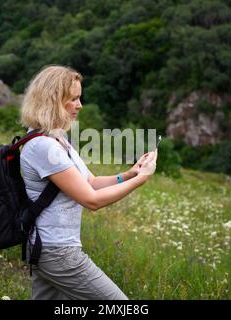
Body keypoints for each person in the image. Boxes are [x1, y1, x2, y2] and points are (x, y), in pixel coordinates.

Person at [19, 65, 158, 300]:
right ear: (53, 100)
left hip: (49, 248)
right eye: (73, 99)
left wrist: (130, 174)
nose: (80, 105)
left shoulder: (57, 139)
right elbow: (91, 200)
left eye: (79, 98)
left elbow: (90, 183)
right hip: (57, 252)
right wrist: (142, 180)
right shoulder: (43, 146)